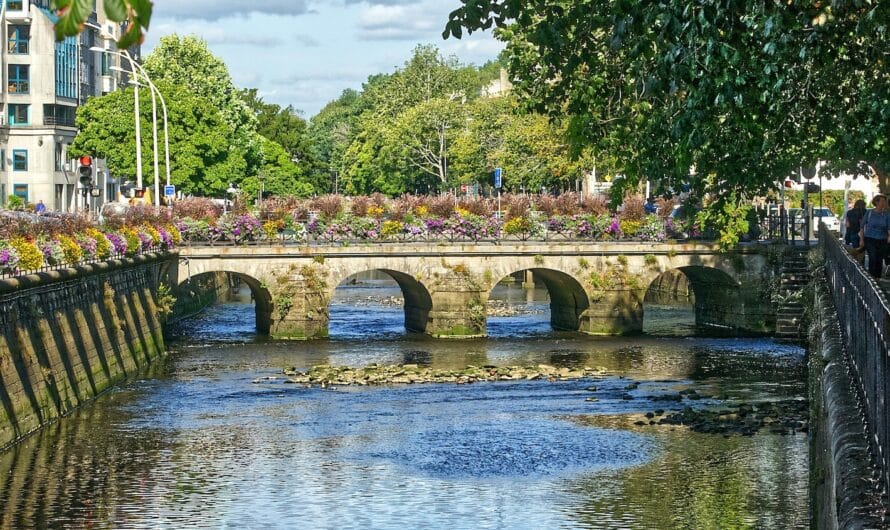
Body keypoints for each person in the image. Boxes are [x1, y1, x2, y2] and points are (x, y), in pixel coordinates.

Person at [859, 194, 890, 279]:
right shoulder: (869, 213)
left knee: (879, 259)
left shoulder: (886, 214)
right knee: (872, 257)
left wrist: (889, 237)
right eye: (882, 201)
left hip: (882, 239)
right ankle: (872, 278)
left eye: (885, 201)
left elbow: (889, 227)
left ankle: (877, 278)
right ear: (876, 202)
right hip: (870, 239)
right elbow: (862, 226)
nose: (884, 203)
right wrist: (861, 239)